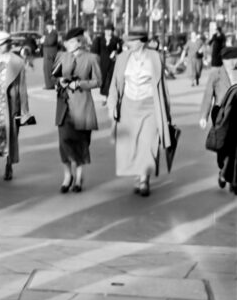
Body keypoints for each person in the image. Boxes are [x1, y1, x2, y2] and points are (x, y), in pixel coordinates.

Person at [107, 27, 172, 197]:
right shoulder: (122, 58)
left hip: (150, 105)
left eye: (133, 40)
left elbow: (162, 87)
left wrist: (167, 113)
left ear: (142, 41)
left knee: (148, 142)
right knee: (131, 144)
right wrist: (112, 105)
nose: (129, 43)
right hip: (128, 105)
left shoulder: (155, 58)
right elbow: (114, 83)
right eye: (128, 40)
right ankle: (137, 174)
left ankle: (144, 179)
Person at [52, 27, 101, 193]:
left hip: (82, 106)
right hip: (64, 106)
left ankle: (78, 177)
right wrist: (60, 81)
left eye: (73, 42)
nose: (69, 45)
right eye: (67, 42)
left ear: (79, 42)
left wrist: (80, 84)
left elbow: (98, 81)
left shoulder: (91, 58)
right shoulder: (61, 57)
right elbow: (54, 76)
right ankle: (67, 175)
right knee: (64, 142)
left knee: (81, 143)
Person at [0, 31, 31, 182]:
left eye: (1, 45)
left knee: (11, 136)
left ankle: (9, 166)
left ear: (8, 44)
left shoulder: (17, 62)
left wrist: (25, 111)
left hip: (10, 104)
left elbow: (22, 88)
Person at [199, 46, 237, 190]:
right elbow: (208, 95)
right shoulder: (216, 74)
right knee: (223, 144)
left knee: (234, 145)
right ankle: (223, 170)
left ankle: (230, 175)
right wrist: (204, 115)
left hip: (235, 113)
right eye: (229, 60)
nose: (233, 63)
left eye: (235, 59)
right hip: (220, 113)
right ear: (224, 60)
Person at [91, 23, 123, 105]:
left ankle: (108, 98)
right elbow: (95, 51)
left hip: (112, 62)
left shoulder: (116, 40)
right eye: (107, 30)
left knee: (111, 79)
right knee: (104, 79)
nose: (108, 32)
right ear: (105, 31)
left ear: (112, 31)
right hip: (102, 62)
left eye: (110, 30)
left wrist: (115, 52)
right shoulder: (100, 39)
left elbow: (120, 50)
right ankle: (105, 96)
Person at [41, 20, 59, 90]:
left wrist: (44, 41)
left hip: (51, 53)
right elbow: (42, 41)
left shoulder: (54, 33)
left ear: (51, 25)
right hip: (46, 52)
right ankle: (48, 84)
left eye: (49, 25)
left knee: (51, 68)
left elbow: (51, 42)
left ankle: (52, 84)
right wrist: (43, 41)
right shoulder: (46, 33)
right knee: (46, 69)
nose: (47, 26)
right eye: (47, 25)